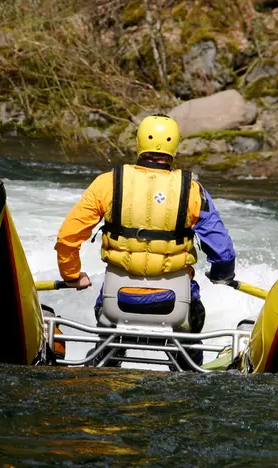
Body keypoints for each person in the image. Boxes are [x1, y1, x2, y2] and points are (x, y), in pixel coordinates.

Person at [54, 114, 236, 369]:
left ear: (139, 143)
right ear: (174, 147)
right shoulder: (193, 190)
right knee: (193, 325)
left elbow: (67, 238)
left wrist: (72, 276)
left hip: (116, 303)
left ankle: (103, 365)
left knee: (108, 326)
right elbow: (223, 253)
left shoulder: (107, 183)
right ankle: (188, 374)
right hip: (176, 307)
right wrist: (221, 275)